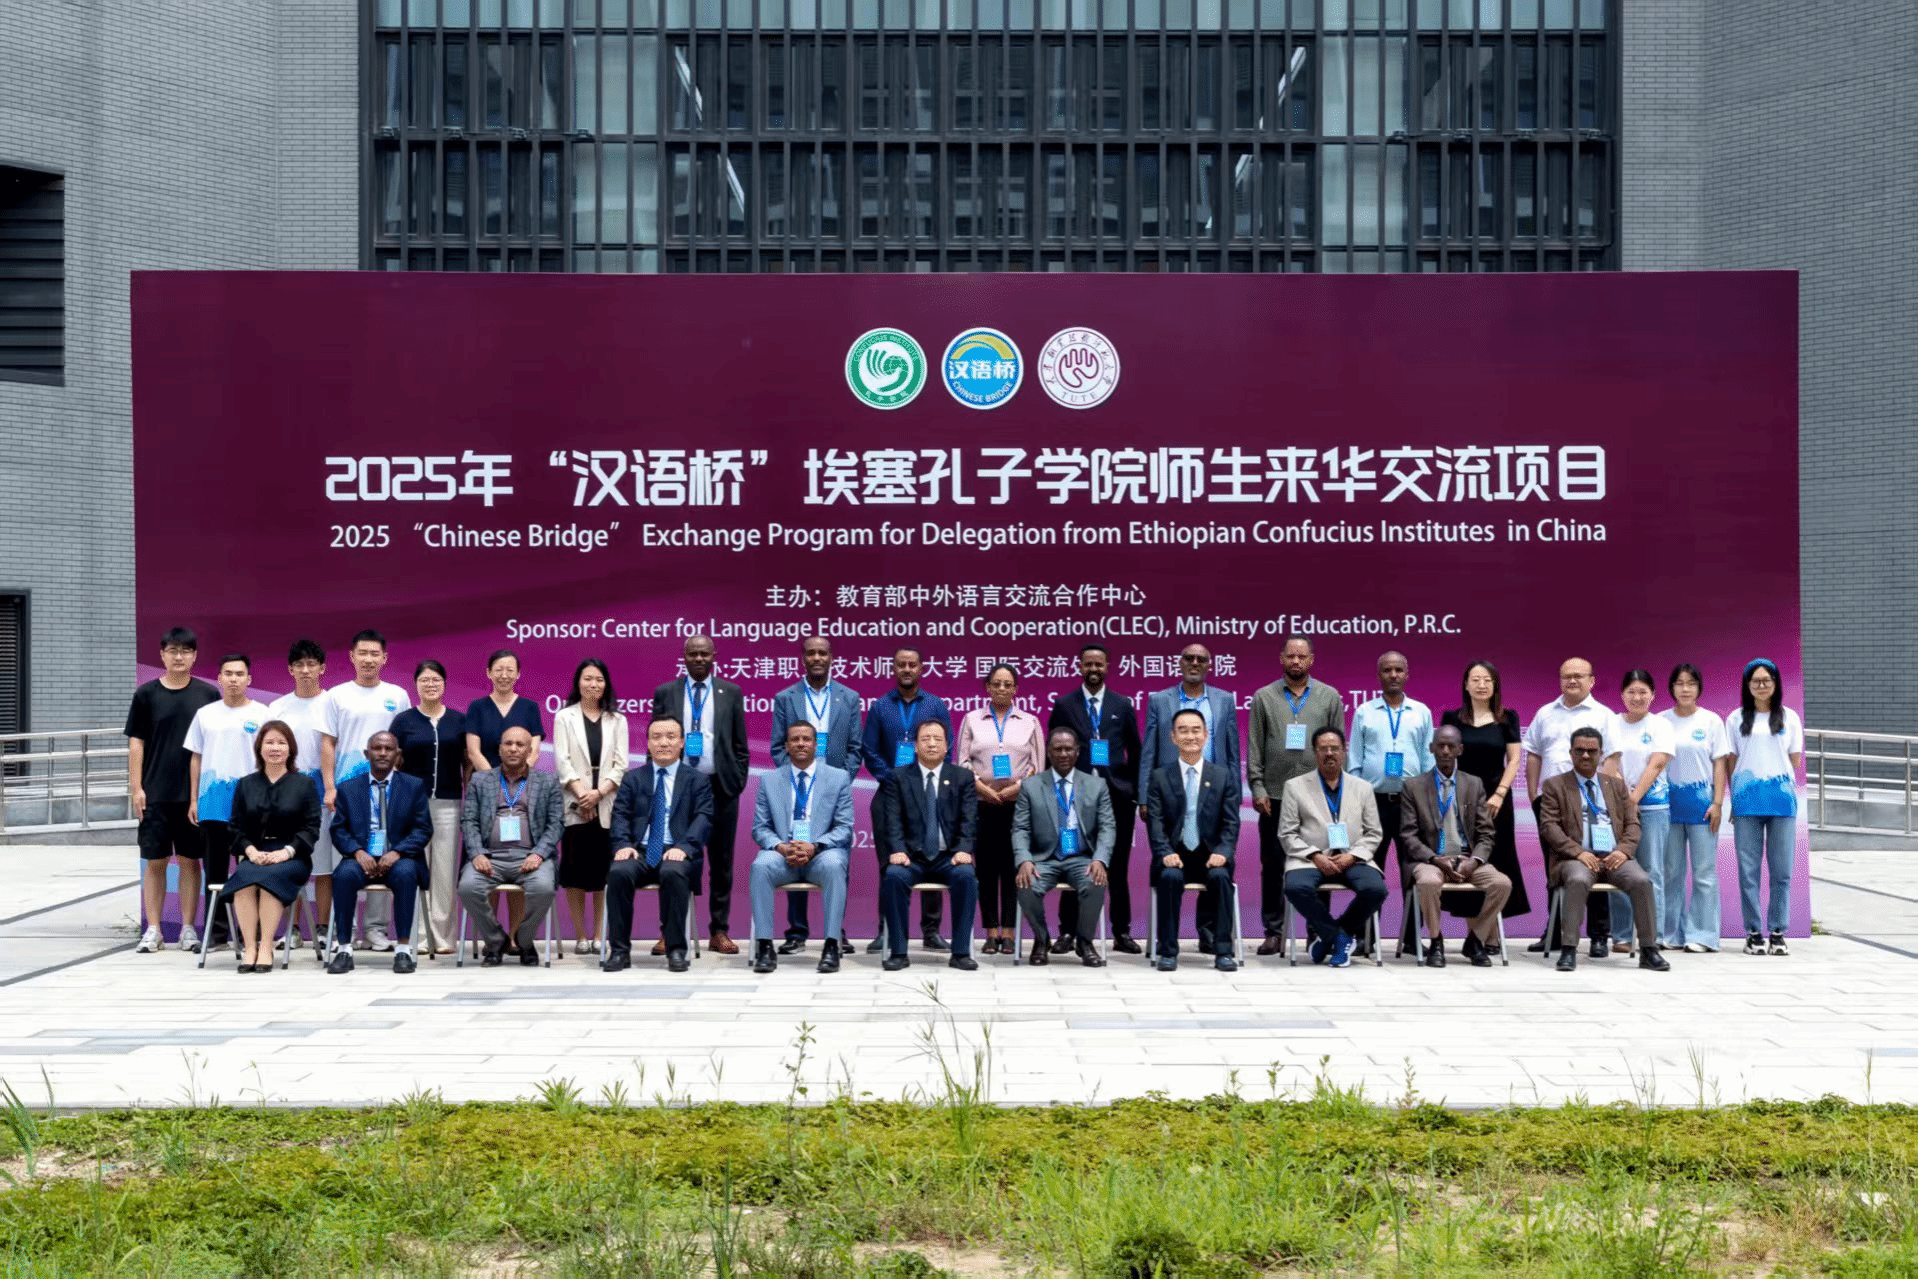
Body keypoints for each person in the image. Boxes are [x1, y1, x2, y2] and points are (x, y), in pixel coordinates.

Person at [1535, 727, 1669, 972]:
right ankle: (1568, 950)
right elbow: (1549, 827)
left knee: (1641, 881)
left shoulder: (1616, 786)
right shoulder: (1554, 785)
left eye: (1592, 751)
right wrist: (1578, 853)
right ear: (1570, 753)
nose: (1585, 756)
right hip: (1575, 858)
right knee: (1577, 880)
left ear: (1601, 754)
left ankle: (1649, 950)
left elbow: (1633, 824)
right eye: (1579, 751)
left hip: (1614, 857)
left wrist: (1623, 851)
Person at [1141, 644, 1243, 953]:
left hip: (1215, 789)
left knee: (1214, 859)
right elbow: (1149, 749)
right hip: (1171, 789)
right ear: (1180, 663)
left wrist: (1234, 793)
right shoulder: (1160, 700)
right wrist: (1144, 795)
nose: (1195, 663)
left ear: (1210, 664)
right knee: (1175, 861)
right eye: (1189, 658)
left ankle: (1209, 933)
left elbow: (1232, 749)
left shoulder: (1224, 700)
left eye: (1201, 659)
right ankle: (1168, 944)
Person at [651, 635, 749, 956]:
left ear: (713, 656)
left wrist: (736, 782)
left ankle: (719, 931)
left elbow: (739, 744)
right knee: (675, 859)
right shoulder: (666, 692)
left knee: (722, 863)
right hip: (680, 789)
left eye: (704, 654)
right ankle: (670, 931)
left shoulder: (731, 692)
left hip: (721, 788)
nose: (698, 659)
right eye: (692, 654)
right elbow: (656, 740)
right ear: (684, 656)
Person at [126, 626, 220, 953]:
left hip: (194, 796)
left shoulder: (208, 695)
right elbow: (136, 742)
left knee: (191, 861)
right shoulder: (146, 694)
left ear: (194, 656)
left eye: (185, 651)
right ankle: (153, 929)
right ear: (162, 655)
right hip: (155, 793)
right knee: (155, 861)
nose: (178, 657)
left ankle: (188, 929)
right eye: (172, 651)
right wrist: (136, 788)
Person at [1246, 636, 1342, 955]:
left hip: (1318, 797)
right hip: (1274, 796)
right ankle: (1274, 931)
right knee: (1273, 866)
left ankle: (1317, 930)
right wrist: (1257, 787)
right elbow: (1255, 746)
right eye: (1291, 656)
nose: (1296, 661)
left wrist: (1336, 791)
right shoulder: (1264, 697)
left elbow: (1338, 747)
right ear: (1282, 659)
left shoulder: (1329, 696)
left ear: (1311, 660)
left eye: (1302, 657)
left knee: (1320, 863)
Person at [1046, 642, 1143, 953]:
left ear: (1107, 667)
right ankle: (1067, 933)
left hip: (1116, 798)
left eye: (1098, 664)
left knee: (1117, 867)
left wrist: (1136, 793)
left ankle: (1122, 933)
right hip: (1075, 798)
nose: (1093, 669)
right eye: (1088, 664)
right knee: (1073, 861)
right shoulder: (1065, 705)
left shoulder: (1122, 704)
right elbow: (1052, 754)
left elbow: (1136, 752)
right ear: (1079, 666)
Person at [769, 635, 862, 954]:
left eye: (823, 652)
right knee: (796, 853)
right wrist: (795, 780)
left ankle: (836, 931)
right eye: (811, 653)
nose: (817, 658)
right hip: (797, 792)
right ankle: (796, 931)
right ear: (803, 658)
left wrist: (838, 783)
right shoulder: (786, 698)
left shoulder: (849, 698)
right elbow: (777, 747)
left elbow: (855, 749)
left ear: (831, 657)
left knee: (837, 859)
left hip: (834, 795)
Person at [858, 646, 955, 953]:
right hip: (888, 793)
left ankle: (931, 931)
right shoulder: (880, 707)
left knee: (931, 856)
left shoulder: (935, 705)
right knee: (889, 865)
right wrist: (894, 779)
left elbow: (947, 748)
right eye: (901, 665)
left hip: (928, 793)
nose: (907, 669)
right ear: (894, 669)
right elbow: (869, 750)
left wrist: (920, 779)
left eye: (912, 664)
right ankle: (886, 929)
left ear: (921, 668)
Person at [321, 629, 412, 952]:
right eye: (363, 653)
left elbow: (402, 744)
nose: (369, 659)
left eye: (375, 654)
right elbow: (328, 742)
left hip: (387, 791)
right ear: (352, 656)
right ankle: (342, 930)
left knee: (383, 856)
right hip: (347, 793)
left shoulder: (397, 695)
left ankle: (376, 929)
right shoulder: (336, 696)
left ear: (384, 658)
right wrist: (330, 786)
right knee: (346, 861)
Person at [1521, 657, 1616, 955]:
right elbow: (1533, 754)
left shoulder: (1604, 715)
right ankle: (1556, 932)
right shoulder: (1545, 713)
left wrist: (1606, 801)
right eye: (1566, 676)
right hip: (1551, 804)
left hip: (1593, 804)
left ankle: (1599, 935)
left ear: (1592, 680)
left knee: (1596, 864)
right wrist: (1534, 795)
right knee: (1555, 869)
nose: (1572, 681)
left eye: (1578, 676)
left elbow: (1611, 760)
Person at [604, 717, 713, 974]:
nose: (664, 742)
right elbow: (620, 816)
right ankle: (619, 951)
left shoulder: (697, 780)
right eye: (657, 737)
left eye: (671, 737)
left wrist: (684, 847)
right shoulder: (633, 778)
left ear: (682, 742)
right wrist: (622, 844)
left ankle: (675, 949)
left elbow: (704, 818)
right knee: (619, 872)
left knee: (673, 872)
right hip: (639, 851)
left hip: (677, 850)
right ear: (648, 743)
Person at [1397, 724, 1512, 967]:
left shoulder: (1474, 784)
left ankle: (1475, 940)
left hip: (1466, 857)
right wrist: (1435, 859)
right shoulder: (1413, 786)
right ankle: (1436, 941)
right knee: (1428, 882)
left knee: (1502, 884)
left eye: (1451, 746)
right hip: (1431, 860)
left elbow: (1486, 833)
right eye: (1441, 746)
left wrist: (1475, 861)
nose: (1446, 751)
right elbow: (1408, 835)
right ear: (1431, 748)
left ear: (1460, 749)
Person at [873, 720, 980, 972]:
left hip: (949, 857)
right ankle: (899, 952)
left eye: (937, 739)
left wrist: (964, 849)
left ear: (947, 745)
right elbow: (892, 819)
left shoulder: (962, 777)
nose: (931, 744)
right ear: (915, 746)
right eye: (925, 739)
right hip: (912, 857)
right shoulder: (898, 777)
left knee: (966, 876)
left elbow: (969, 818)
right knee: (893, 876)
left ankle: (960, 952)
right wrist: (897, 849)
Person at [748, 723, 855, 975]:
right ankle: (764, 946)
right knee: (760, 866)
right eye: (794, 740)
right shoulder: (769, 780)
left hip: (821, 853)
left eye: (806, 739)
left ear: (816, 745)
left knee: (835, 865)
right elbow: (760, 828)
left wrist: (814, 846)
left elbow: (844, 828)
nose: (800, 744)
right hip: (782, 854)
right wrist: (781, 847)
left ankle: (831, 946)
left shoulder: (838, 778)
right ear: (786, 746)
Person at [214, 721, 321, 972]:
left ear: (290, 749)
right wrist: (250, 851)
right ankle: (250, 947)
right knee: (244, 880)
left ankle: (265, 947)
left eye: (281, 743)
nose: (275, 748)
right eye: (269, 742)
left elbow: (311, 828)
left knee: (270, 878)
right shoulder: (246, 784)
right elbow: (235, 827)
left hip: (292, 856)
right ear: (259, 748)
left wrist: (286, 852)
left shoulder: (304, 784)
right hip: (256, 853)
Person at [954, 664, 1046, 956]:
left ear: (1016, 689)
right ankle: (991, 933)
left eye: (1008, 684)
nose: (1002, 688)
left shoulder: (1029, 721)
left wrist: (1016, 788)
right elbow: (962, 762)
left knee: (1012, 869)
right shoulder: (972, 719)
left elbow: (1038, 764)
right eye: (997, 683)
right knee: (986, 870)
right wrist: (982, 788)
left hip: (1017, 805)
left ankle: (1009, 932)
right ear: (988, 687)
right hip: (982, 804)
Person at [1348, 650, 1435, 953]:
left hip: (1412, 804)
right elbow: (1355, 761)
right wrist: (1356, 803)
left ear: (1407, 674)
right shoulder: (1364, 712)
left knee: (1414, 870)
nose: (1393, 675)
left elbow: (1427, 761)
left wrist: (1428, 803)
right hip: (1373, 803)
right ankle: (1366, 937)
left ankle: (1411, 938)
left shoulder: (1421, 712)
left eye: (1399, 670)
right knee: (1370, 871)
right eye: (1387, 670)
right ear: (1379, 675)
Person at [1278, 726, 1387, 969]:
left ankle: (1337, 934)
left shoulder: (1363, 787)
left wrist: (1353, 856)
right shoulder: (1295, 786)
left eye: (1334, 748)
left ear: (1344, 751)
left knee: (1375, 890)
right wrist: (1315, 855)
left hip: (1352, 857)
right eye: (1323, 749)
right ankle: (1336, 937)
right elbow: (1287, 833)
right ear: (1314, 752)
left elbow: (1374, 833)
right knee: (1295, 887)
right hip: (1310, 858)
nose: (1329, 753)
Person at [457, 725, 563, 966]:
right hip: (490, 857)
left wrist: (539, 854)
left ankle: (523, 939)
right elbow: (469, 821)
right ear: (499, 749)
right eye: (508, 743)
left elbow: (556, 823)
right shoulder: (480, 780)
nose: (513, 749)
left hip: (531, 857)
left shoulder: (547, 781)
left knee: (544, 888)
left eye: (520, 744)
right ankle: (496, 941)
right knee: (468, 888)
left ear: (530, 750)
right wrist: (477, 854)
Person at [327, 731, 432, 973]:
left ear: (398, 754)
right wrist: (357, 852)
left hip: (399, 858)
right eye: (377, 748)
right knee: (343, 875)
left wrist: (397, 852)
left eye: (388, 749)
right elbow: (338, 829)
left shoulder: (413, 786)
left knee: (406, 874)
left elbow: (423, 829)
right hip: (360, 858)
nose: (383, 753)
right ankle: (344, 949)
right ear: (367, 754)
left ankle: (403, 950)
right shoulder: (349, 788)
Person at [184, 655, 269, 952]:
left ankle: (252, 935)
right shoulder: (205, 714)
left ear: (249, 679)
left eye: (239, 674)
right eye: (228, 674)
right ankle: (216, 933)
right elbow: (195, 757)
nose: (234, 679)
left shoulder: (263, 714)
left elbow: (272, 758)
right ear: (219, 678)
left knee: (253, 871)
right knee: (214, 873)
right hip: (212, 805)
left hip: (253, 808)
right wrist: (194, 799)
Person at [463, 648, 545, 953]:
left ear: (518, 674)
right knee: (488, 864)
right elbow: (473, 750)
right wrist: (495, 781)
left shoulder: (529, 707)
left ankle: (515, 937)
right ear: (488, 672)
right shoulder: (477, 707)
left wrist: (517, 778)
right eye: (498, 669)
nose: (504, 675)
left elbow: (533, 750)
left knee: (520, 863)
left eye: (510, 669)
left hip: (523, 793)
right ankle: (492, 938)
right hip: (487, 795)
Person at [1012, 727, 1115, 967]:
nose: (1063, 754)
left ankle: (1085, 942)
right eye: (1057, 749)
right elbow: (1020, 828)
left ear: (1077, 752)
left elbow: (1107, 827)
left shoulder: (1096, 785)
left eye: (1069, 749)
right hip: (1044, 859)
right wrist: (1024, 860)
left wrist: (1099, 859)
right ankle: (1041, 939)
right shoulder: (1031, 786)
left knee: (1096, 881)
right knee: (1026, 884)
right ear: (1048, 752)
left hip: (1081, 858)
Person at [1439, 661, 1527, 927]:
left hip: (1496, 800)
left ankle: (1489, 933)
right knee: (1467, 860)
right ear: (1466, 685)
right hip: (1461, 798)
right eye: (1475, 680)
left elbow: (1514, 760)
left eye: (1488, 680)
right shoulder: (1452, 719)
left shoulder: (1507, 718)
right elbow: (1444, 760)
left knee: (1499, 860)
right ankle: (1474, 934)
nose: (1481, 685)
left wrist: (1500, 793)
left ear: (1495, 685)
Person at [1726, 659, 1803, 957]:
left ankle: (1778, 932)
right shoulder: (1735, 719)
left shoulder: (1789, 717)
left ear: (1775, 683)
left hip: (1782, 802)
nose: (1761, 685)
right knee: (1749, 871)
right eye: (1755, 681)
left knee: (1782, 871)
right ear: (1747, 685)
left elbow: (1794, 760)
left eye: (1766, 680)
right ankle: (1754, 933)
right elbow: (1731, 761)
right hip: (1746, 802)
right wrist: (1734, 798)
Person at [390, 661, 468, 954]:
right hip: (413, 807)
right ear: (416, 684)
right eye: (424, 680)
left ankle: (444, 937)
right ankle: (418, 936)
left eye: (436, 679)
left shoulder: (458, 721)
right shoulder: (403, 721)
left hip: (448, 803)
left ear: (444, 684)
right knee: (415, 868)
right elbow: (393, 763)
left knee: (444, 873)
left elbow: (467, 763)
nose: (431, 684)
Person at [267, 639, 339, 955]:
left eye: (312, 664)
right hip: (287, 798)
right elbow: (269, 752)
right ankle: (292, 930)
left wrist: (330, 788)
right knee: (290, 863)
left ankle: (323, 929)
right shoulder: (278, 708)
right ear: (290, 669)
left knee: (323, 867)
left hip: (324, 797)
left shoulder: (333, 702)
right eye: (299, 665)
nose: (306, 670)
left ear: (322, 668)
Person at [555, 658, 629, 956]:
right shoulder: (564, 717)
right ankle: (580, 936)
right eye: (587, 678)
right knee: (574, 873)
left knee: (602, 874)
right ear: (578, 682)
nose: (593, 684)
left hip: (606, 802)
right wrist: (582, 795)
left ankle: (599, 934)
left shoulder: (617, 720)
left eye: (599, 679)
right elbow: (562, 762)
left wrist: (598, 794)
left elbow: (621, 764)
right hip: (575, 803)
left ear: (606, 684)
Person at [1659, 664, 1731, 953]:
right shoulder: (1661, 721)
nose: (1685, 689)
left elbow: (1719, 764)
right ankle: (1670, 933)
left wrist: (1717, 803)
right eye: (1679, 683)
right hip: (1667, 808)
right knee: (1670, 873)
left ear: (1699, 687)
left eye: (1690, 683)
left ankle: (1702, 935)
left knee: (1704, 874)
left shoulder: (1711, 721)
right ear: (1671, 688)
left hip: (1703, 809)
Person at [1606, 670, 1676, 953]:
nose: (1637, 697)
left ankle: (1652, 935)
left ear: (1653, 695)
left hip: (1654, 808)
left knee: (1652, 871)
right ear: (1622, 695)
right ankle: (1622, 935)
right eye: (1631, 692)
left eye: (1643, 692)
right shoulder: (1611, 723)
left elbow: (1657, 763)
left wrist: (1634, 799)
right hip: (1617, 810)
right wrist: (1625, 801)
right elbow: (1609, 762)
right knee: (1618, 868)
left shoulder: (1661, 725)